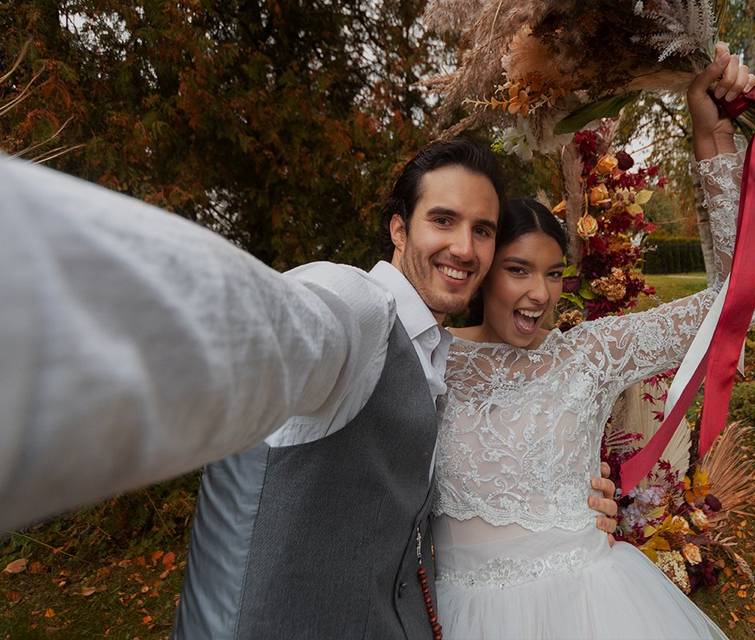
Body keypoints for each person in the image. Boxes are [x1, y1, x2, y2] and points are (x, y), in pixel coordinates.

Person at [0, 137, 617, 638]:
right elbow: (276, 330)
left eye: (482, 230)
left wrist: (564, 505)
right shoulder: (356, 306)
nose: (464, 247)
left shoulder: (439, 353)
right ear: (398, 230)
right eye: (443, 220)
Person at [431, 50, 755, 638]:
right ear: (485, 268)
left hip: (592, 607)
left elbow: (751, 302)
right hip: (461, 613)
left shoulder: (590, 353)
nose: (540, 294)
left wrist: (712, 140)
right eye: (519, 269)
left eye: (552, 274)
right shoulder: (427, 356)